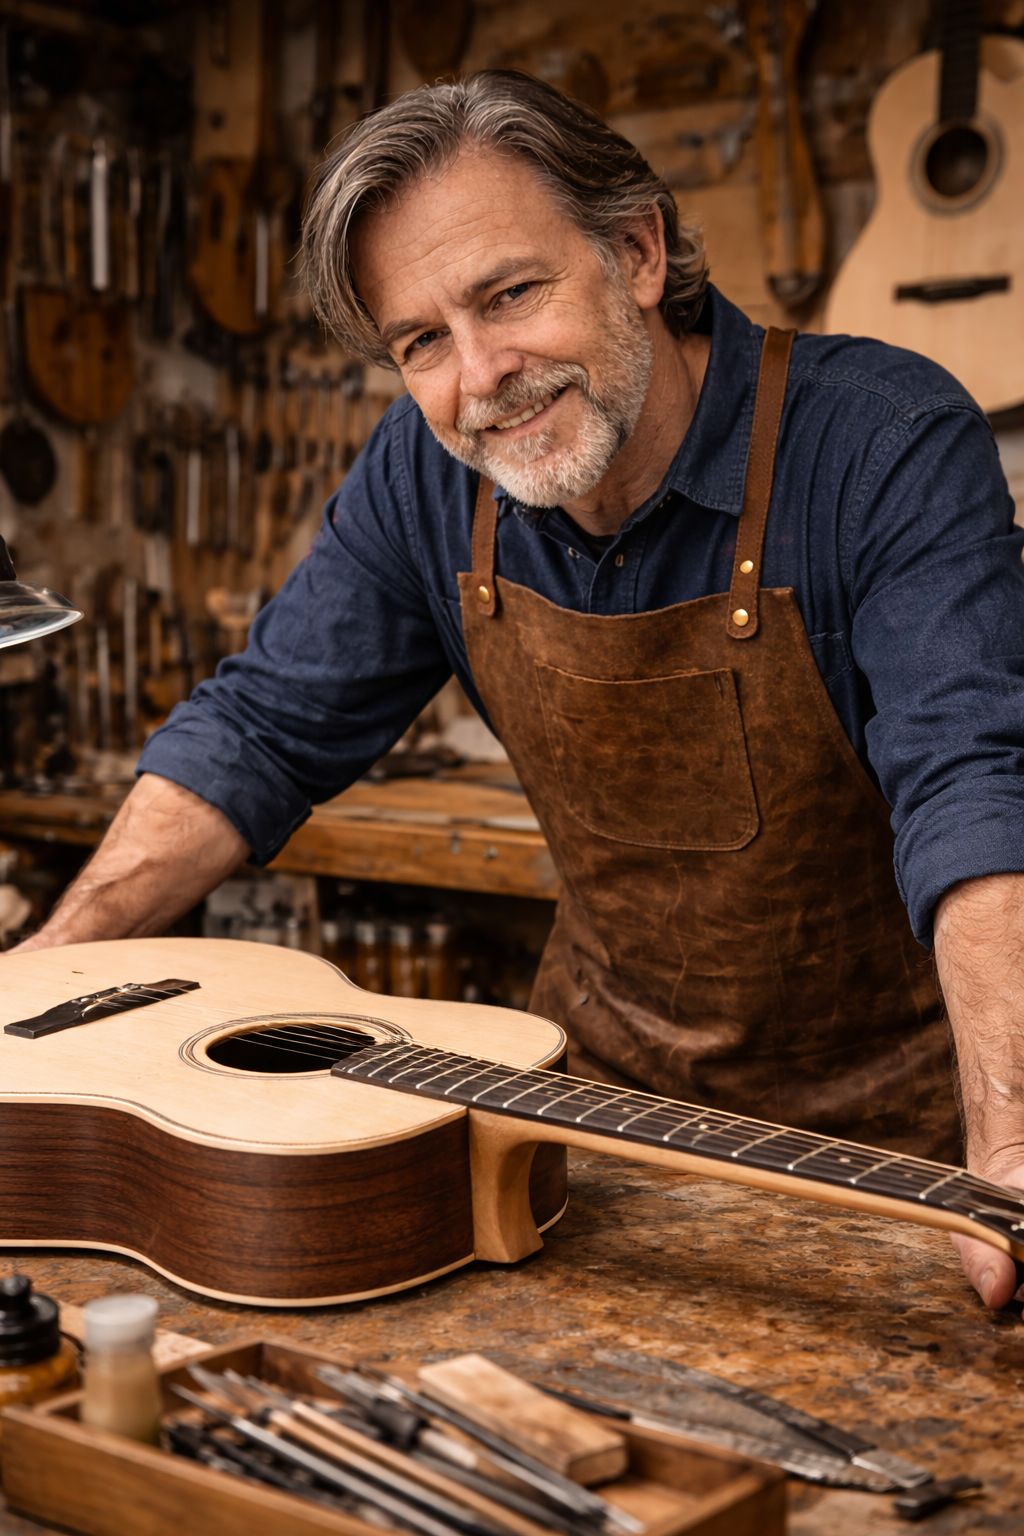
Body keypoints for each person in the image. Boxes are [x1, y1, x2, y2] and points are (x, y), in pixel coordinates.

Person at [10, 70, 1024, 1310]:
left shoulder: (880, 439)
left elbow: (974, 787)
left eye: (511, 295)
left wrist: (1004, 1157)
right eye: (421, 342)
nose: (479, 376)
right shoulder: (424, 477)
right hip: (587, 1131)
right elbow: (262, 729)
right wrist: (44, 981)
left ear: (638, 253)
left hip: (903, 1156)